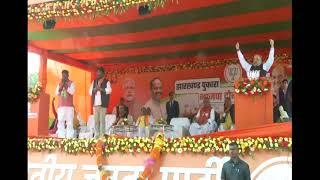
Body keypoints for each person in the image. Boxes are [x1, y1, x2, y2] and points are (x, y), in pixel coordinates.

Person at [89, 67, 112, 138]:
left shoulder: (106, 81)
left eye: (99, 72)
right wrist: (94, 90)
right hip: (95, 104)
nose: (98, 74)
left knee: (102, 121)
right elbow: (90, 92)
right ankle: (96, 135)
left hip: (103, 104)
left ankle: (102, 136)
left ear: (103, 73)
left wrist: (101, 89)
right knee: (96, 121)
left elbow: (109, 90)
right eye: (97, 72)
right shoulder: (94, 82)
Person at [55, 70, 76, 138]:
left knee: (69, 122)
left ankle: (69, 138)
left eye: (65, 75)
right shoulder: (60, 83)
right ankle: (61, 137)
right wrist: (61, 87)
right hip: (61, 107)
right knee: (60, 122)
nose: (63, 77)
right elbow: (56, 93)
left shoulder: (71, 83)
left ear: (68, 75)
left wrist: (66, 86)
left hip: (69, 107)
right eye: (63, 75)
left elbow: (72, 92)